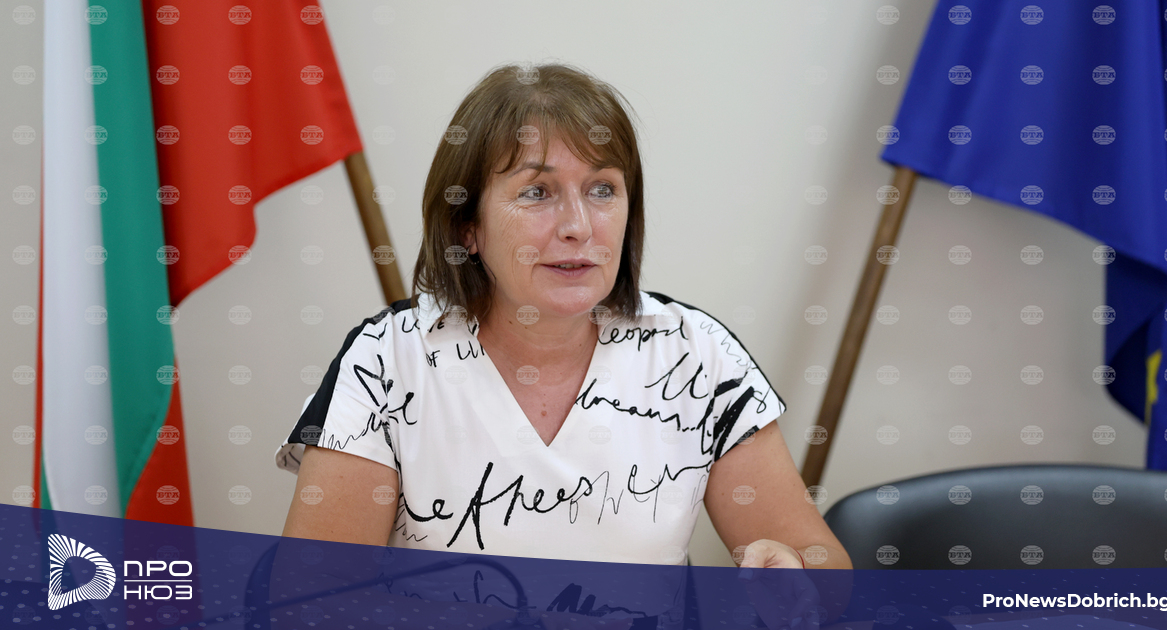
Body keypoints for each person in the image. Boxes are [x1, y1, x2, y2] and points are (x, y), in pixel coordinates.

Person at [276, 62, 850, 627]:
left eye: (602, 189)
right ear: (467, 226)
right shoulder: (386, 359)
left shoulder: (694, 353)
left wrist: (797, 579)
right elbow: (310, 606)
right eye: (537, 192)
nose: (579, 225)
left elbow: (824, 568)